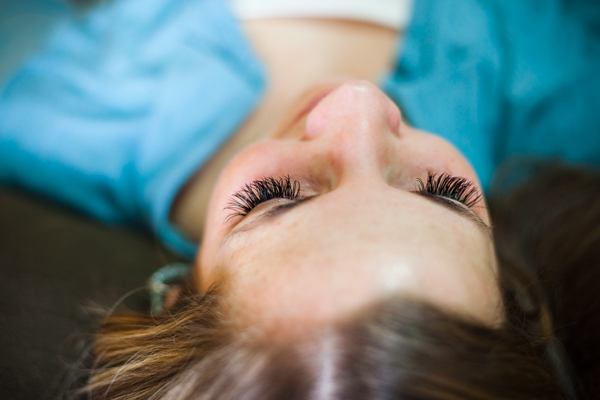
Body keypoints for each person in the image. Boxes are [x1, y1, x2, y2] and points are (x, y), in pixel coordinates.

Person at [0, 0, 599, 399]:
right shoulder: (568, 104)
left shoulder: (50, 127)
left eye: (276, 197)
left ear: (180, 296)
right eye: (442, 195)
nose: (357, 103)